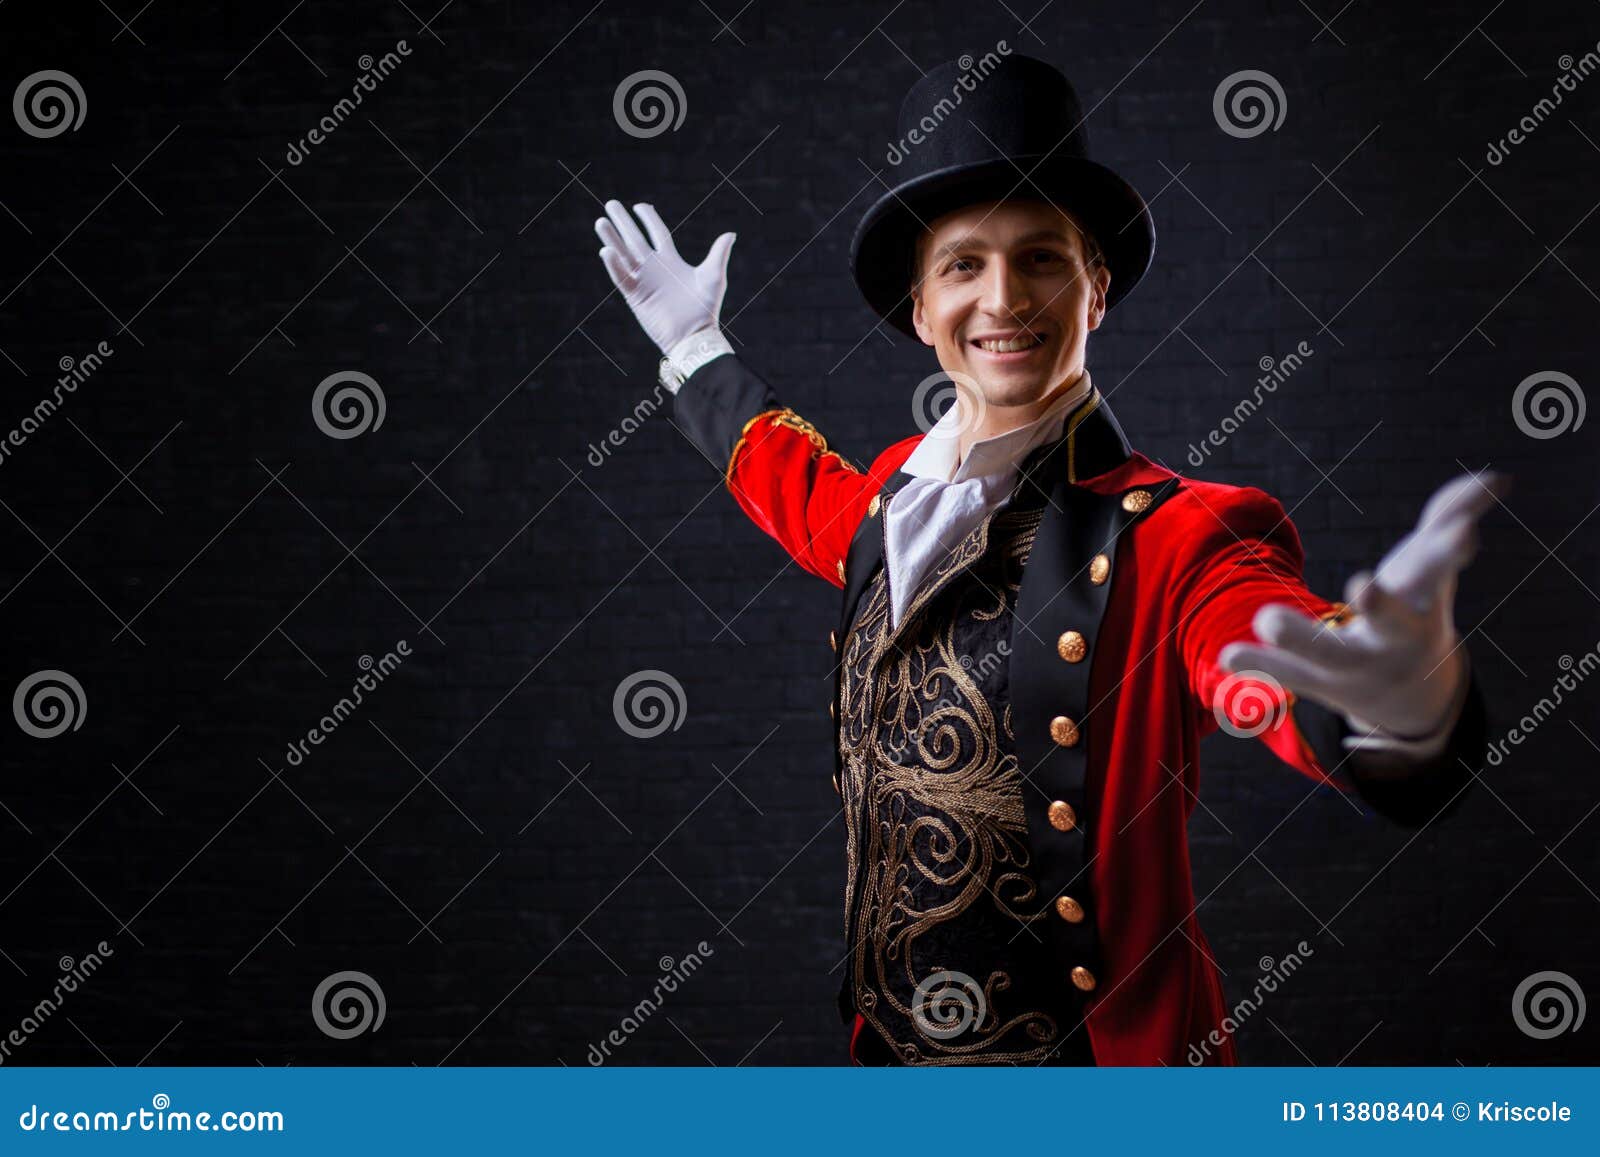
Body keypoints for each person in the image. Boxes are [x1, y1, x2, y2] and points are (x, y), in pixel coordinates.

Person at [594, 54, 1500, 1066]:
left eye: (1040, 259)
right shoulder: (896, 494)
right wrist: (695, 348)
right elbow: (803, 491)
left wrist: (1390, 705)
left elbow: (1251, 646)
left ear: (1095, 289)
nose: (1003, 296)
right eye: (963, 264)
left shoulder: (1176, 533)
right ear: (921, 305)